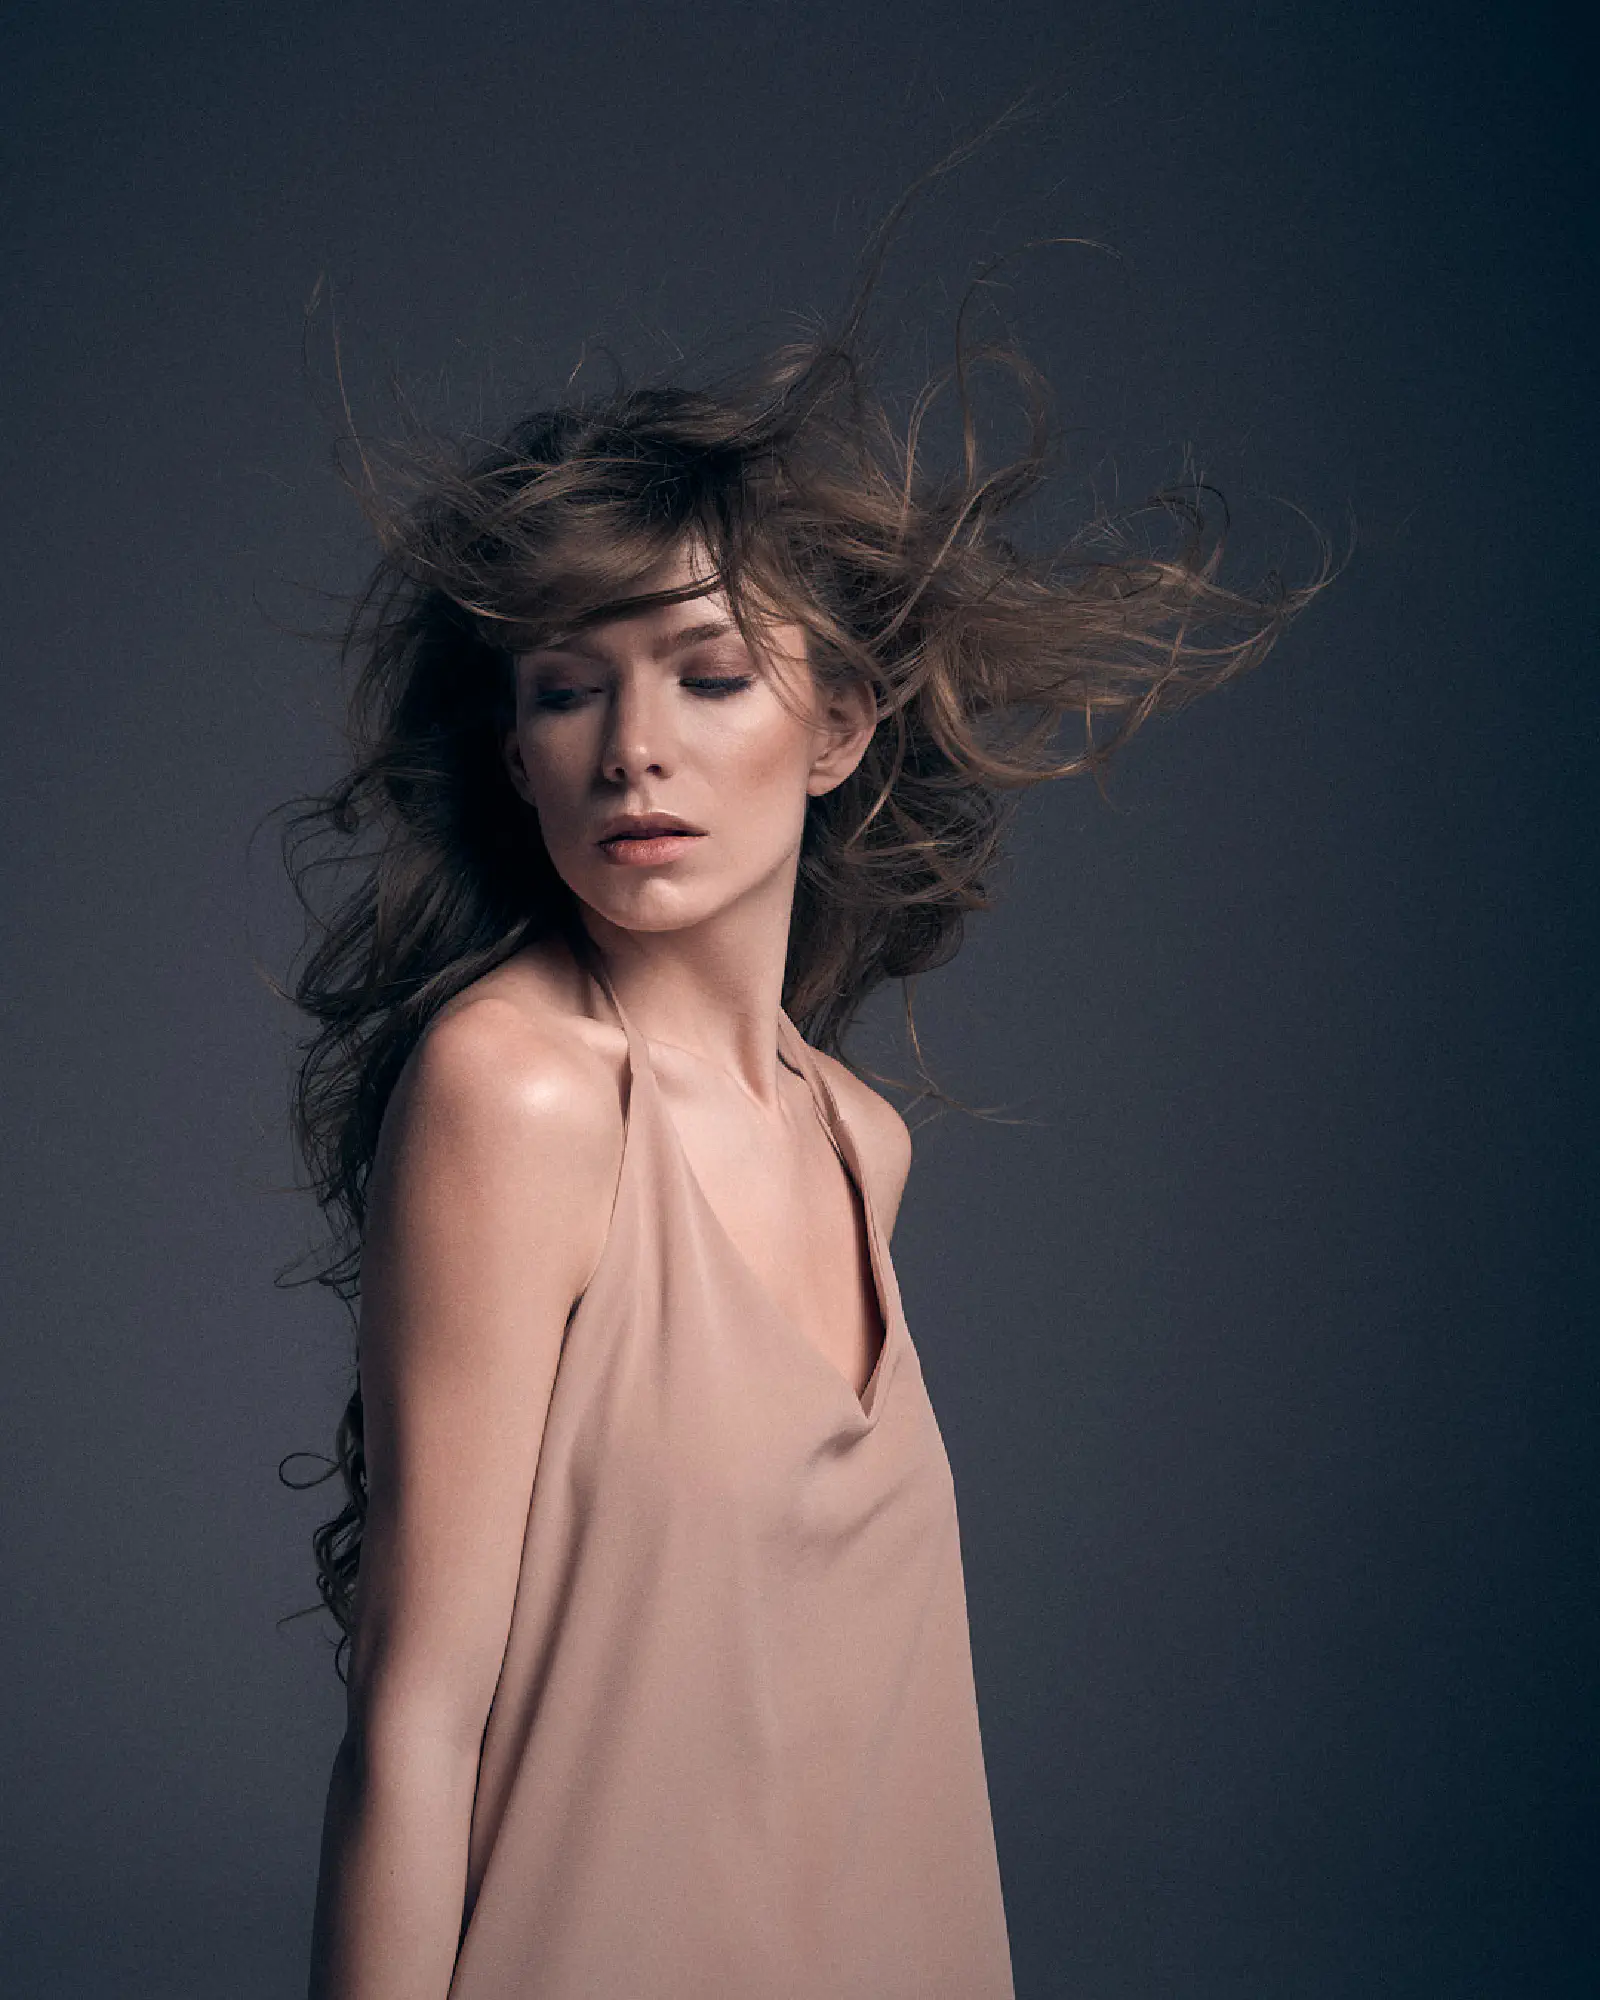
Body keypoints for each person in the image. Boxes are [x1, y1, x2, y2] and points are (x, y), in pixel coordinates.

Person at [282, 237, 1321, 1999]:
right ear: (518, 754)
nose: (632, 747)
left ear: (837, 725)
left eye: (706, 675)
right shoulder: (518, 1090)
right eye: (567, 688)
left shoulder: (856, 1137)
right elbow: (416, 1717)